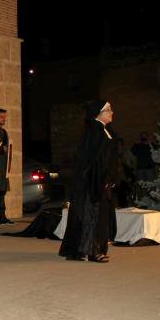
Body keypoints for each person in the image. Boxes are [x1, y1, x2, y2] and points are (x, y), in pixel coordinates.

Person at [59, 100, 119, 263]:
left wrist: (111, 178)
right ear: (98, 113)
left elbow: (109, 159)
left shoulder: (104, 131)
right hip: (92, 183)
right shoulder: (94, 131)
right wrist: (101, 179)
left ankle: (89, 249)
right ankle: (93, 251)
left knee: (98, 216)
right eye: (108, 110)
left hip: (100, 181)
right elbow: (92, 161)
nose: (112, 112)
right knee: (91, 217)